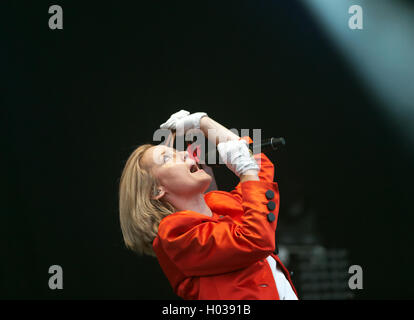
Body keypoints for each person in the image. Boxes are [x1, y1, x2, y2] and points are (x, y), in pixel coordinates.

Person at [119, 110, 298, 300]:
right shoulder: (174, 234)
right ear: (156, 191)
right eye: (166, 158)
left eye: (176, 151)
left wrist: (203, 122)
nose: (182, 153)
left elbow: (256, 164)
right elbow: (256, 238)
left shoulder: (220, 204)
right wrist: (245, 168)